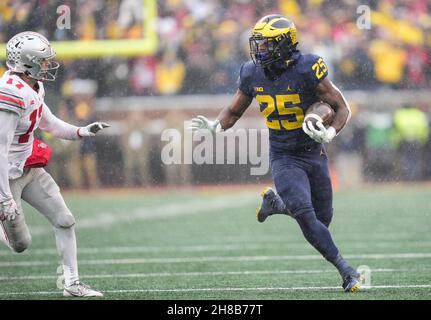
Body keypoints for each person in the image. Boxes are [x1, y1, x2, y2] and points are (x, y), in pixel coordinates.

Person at [190, 15, 361, 292]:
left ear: (284, 44)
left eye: (266, 44)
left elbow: (342, 108)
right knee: (306, 215)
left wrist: (330, 133)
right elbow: (234, 111)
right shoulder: (251, 71)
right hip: (284, 156)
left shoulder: (307, 68)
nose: (259, 50)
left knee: (322, 219)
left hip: (312, 152)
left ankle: (276, 204)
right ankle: (346, 271)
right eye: (258, 44)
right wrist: (215, 126)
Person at [0, 31, 109, 297]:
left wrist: (81, 132)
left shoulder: (34, 86)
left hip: (29, 168)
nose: (48, 65)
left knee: (65, 220)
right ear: (27, 63)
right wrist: (4, 199)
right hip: (7, 175)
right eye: (43, 60)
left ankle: (72, 284)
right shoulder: (10, 94)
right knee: (21, 244)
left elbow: (48, 122)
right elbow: (0, 152)